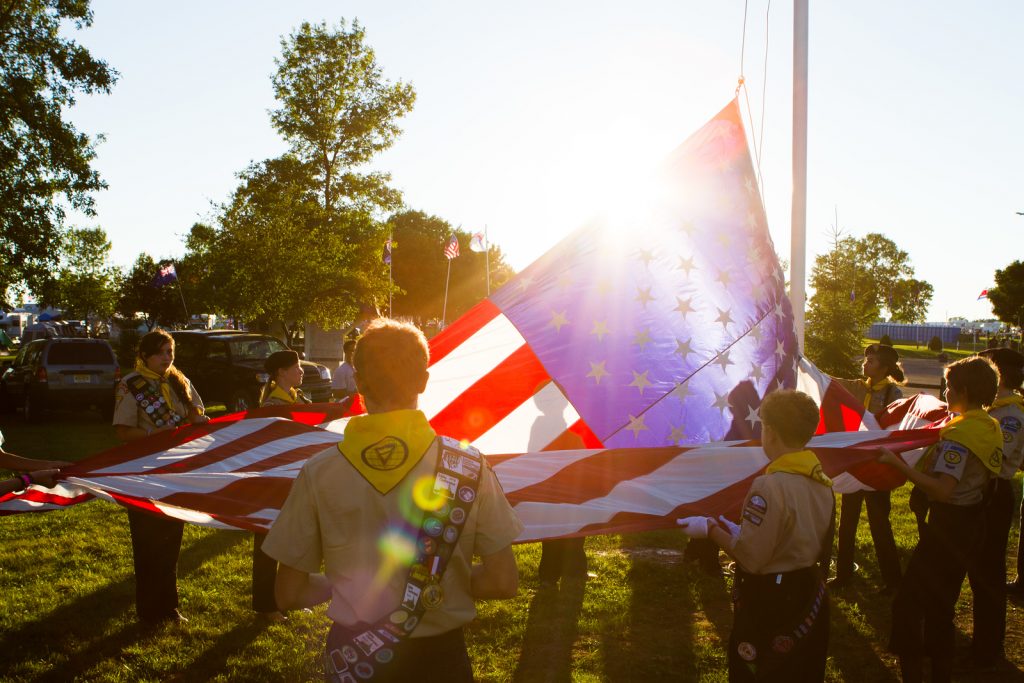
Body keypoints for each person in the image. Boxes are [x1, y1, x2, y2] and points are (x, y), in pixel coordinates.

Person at [263, 318, 523, 682]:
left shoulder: (320, 471)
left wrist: (343, 582)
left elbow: (288, 593)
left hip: (357, 659)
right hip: (441, 660)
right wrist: (439, 587)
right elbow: (502, 582)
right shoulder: (467, 465)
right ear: (424, 381)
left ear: (358, 382)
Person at [679, 390, 834, 682]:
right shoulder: (821, 481)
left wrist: (710, 530)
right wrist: (743, 532)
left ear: (771, 432)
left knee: (759, 671)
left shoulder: (769, 486)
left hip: (772, 601)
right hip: (807, 593)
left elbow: (752, 559)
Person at [879, 356, 1002, 683]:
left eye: (948, 387)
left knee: (909, 605)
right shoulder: (986, 426)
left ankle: (914, 674)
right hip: (973, 521)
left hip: (950, 528)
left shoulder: (961, 438)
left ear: (961, 390)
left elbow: (943, 489)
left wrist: (898, 465)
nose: (945, 392)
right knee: (940, 606)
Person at [112, 329, 210, 625]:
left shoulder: (180, 382)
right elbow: (123, 431)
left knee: (171, 540)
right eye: (161, 352)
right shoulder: (131, 385)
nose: (167, 358)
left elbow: (196, 415)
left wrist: (200, 421)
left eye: (170, 352)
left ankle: (169, 606)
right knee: (147, 543)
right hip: (144, 472)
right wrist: (156, 433)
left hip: (176, 471)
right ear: (144, 355)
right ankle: (148, 609)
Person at [828, 343, 904, 592]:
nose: (865, 363)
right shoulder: (857, 386)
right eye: (865, 359)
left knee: (879, 522)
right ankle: (843, 574)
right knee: (847, 523)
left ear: (884, 367)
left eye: (871, 361)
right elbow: (830, 381)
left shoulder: (893, 395)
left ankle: (893, 580)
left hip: (878, 466)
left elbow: (894, 427)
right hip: (855, 464)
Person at [966, 348, 1024, 668]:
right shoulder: (995, 409)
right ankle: (985, 641)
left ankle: (988, 647)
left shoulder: (1011, 415)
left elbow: (999, 463)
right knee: (979, 571)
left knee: (988, 573)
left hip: (994, 492)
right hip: (981, 490)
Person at [252, 349, 311, 622]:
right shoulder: (271, 407)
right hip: (275, 483)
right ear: (280, 373)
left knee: (295, 542)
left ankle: (291, 595)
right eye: (296, 366)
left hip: (298, 479)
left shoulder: (298, 399)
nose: (301, 371)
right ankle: (266, 605)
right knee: (268, 543)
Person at [331, 339, 357, 403]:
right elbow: (337, 393)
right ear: (345, 351)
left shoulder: (358, 369)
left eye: (356, 351)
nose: (354, 353)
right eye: (352, 350)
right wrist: (357, 394)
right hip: (344, 408)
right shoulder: (340, 370)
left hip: (357, 407)